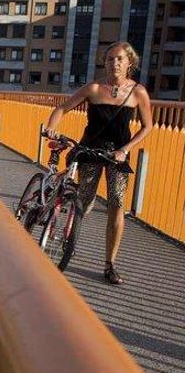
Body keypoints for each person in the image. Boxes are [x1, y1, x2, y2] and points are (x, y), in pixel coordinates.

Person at [43, 41, 152, 285]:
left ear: (129, 63)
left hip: (118, 155)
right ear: (105, 62)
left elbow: (148, 126)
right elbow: (62, 108)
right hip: (90, 150)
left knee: (117, 203)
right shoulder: (93, 88)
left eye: (120, 59)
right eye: (110, 59)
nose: (114, 63)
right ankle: (68, 239)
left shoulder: (138, 93)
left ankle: (110, 264)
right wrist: (51, 128)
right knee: (84, 201)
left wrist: (125, 149)